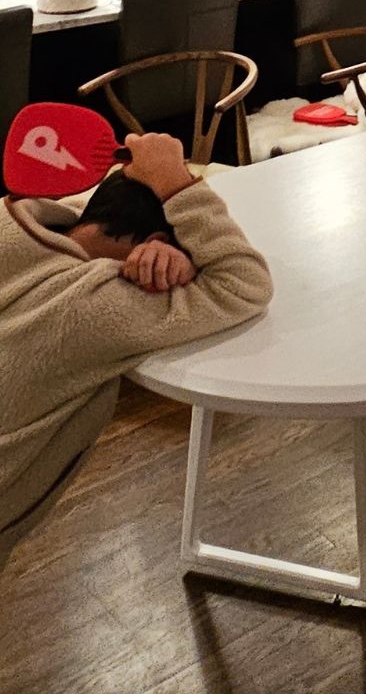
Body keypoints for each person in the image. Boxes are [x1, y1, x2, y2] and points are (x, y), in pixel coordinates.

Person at [0, 133, 273, 569]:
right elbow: (242, 282)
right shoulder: (95, 308)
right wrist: (175, 185)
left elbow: (86, 209)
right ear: (158, 237)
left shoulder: (10, 220)